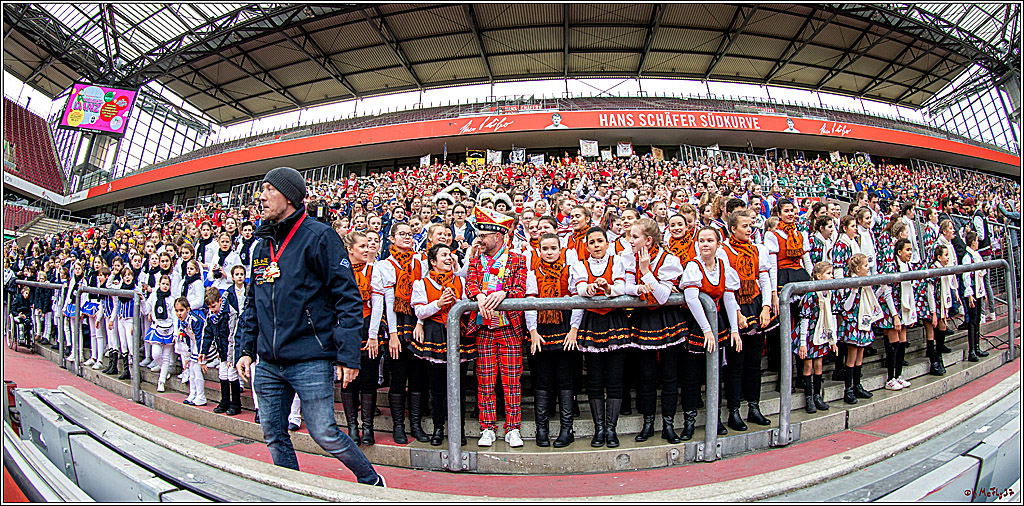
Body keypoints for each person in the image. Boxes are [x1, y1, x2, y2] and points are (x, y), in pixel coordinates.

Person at [235, 167, 384, 486]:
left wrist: (348, 356)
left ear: (289, 196)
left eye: (269, 190)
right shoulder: (262, 246)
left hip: (310, 358)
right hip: (268, 361)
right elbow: (253, 301)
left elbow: (348, 299)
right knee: (273, 434)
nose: (262, 197)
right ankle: (292, 489)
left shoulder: (319, 236)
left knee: (324, 432)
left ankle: (371, 481)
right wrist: (245, 349)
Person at [465, 206, 528, 448]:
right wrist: (479, 296)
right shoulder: (475, 260)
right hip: (483, 329)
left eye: (483, 235)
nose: (479, 239)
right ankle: (487, 427)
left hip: (509, 328)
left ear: (498, 236)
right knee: (485, 380)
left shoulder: (517, 259)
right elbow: (470, 285)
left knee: (512, 380)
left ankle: (513, 428)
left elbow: (520, 289)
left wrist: (504, 294)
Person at [622, 218, 686, 443]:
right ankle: (647, 423)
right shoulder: (627, 257)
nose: (630, 241)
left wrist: (645, 271)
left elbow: (662, 296)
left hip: (666, 319)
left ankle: (668, 424)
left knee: (669, 376)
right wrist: (640, 287)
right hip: (643, 319)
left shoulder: (669, 259)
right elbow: (626, 288)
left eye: (635, 237)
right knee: (646, 376)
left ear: (648, 241)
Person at [569, 226, 629, 448]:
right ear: (587, 246)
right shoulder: (580, 265)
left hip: (614, 321)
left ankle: (611, 429)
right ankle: (599, 429)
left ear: (607, 243)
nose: (596, 245)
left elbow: (622, 287)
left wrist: (608, 287)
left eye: (600, 241)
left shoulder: (617, 261)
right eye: (592, 242)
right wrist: (591, 289)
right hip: (592, 322)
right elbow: (580, 289)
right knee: (594, 380)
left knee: (614, 379)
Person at [411, 243, 475, 447]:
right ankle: (438, 428)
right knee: (437, 387)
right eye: (444, 255)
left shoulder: (460, 281)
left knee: (459, 387)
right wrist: (439, 303)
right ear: (433, 261)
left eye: (450, 255)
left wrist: (458, 304)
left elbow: (469, 309)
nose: (449, 258)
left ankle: (459, 430)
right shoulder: (421, 283)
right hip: (435, 335)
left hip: (458, 334)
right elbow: (419, 312)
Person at [679, 227, 741, 439]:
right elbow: (692, 299)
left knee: (715, 374)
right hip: (696, 325)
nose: (705, 244)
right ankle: (689, 422)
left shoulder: (723, 266)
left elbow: (729, 298)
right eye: (702, 241)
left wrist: (734, 329)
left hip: (717, 324)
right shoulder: (693, 266)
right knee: (691, 376)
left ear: (718, 244)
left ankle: (715, 419)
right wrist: (706, 330)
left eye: (710, 240)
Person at [524, 233, 581, 448]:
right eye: (545, 249)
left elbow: (577, 301)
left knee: (565, 379)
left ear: (560, 250)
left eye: (553, 248)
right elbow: (529, 302)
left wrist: (574, 329)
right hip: (540, 329)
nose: (549, 252)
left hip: (565, 327)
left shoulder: (570, 270)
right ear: (539, 251)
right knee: (542, 380)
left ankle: (567, 429)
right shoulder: (533, 273)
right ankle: (542, 429)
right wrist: (532, 331)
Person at [836, 254, 882, 404]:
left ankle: (857, 385)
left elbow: (873, 299)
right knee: (852, 356)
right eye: (865, 266)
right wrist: (854, 291)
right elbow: (846, 306)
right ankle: (848, 389)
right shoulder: (850, 283)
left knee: (860, 356)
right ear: (857, 269)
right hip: (853, 324)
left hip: (864, 322)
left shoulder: (866, 283)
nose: (868, 268)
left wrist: (882, 289)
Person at [795, 262, 838, 414]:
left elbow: (832, 317)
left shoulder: (830, 294)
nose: (831, 276)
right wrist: (802, 343)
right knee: (808, 365)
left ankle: (817, 395)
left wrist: (833, 340)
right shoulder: (811, 295)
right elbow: (804, 319)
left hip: (822, 333)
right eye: (828, 273)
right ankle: (808, 397)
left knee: (819, 365)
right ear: (819, 276)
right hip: (809, 334)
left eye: (832, 273)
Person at [200, 287, 242, 416]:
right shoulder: (211, 316)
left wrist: (230, 357)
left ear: (220, 301)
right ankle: (225, 401)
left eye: (214, 306)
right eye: (210, 307)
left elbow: (232, 336)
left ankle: (236, 403)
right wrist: (203, 351)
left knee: (232, 374)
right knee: (222, 374)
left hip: (231, 350)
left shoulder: (230, 314)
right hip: (222, 350)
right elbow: (208, 333)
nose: (212, 310)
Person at [960, 231, 989, 362]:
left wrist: (983, 292)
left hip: (979, 290)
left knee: (977, 319)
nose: (978, 243)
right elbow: (966, 276)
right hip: (972, 291)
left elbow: (981, 274)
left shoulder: (976, 255)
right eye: (977, 240)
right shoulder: (967, 257)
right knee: (972, 320)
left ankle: (977, 346)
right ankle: (971, 350)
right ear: (973, 242)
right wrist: (969, 293)